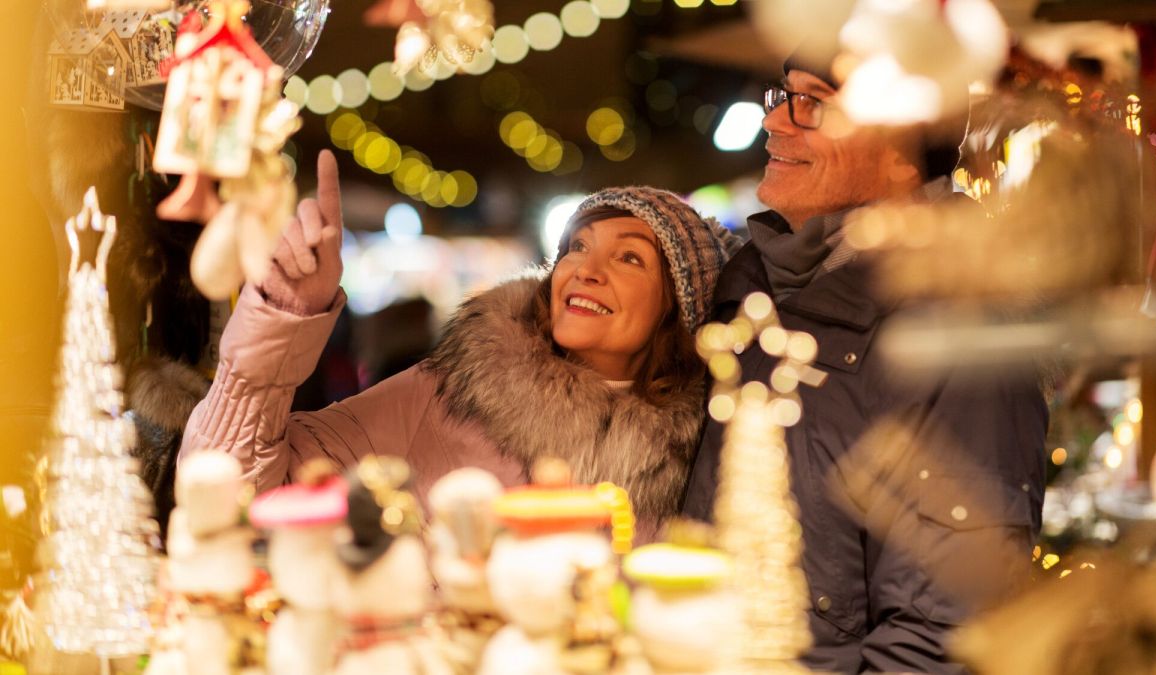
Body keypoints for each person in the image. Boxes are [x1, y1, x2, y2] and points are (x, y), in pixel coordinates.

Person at [680, 58, 1048, 672]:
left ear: (904, 145)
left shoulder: (961, 321)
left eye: (813, 103)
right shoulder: (751, 287)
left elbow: (944, 631)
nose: (774, 121)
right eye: (781, 96)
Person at [180, 150, 738, 538]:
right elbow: (231, 490)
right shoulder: (450, 393)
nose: (584, 270)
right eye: (577, 246)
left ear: (679, 308)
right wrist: (282, 317)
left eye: (629, 257)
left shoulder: (701, 458)